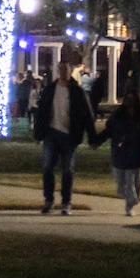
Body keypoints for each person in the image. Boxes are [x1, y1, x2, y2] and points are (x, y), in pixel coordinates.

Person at [33, 67, 100, 215]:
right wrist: (38, 135)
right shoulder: (50, 89)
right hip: (51, 133)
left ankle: (66, 202)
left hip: (69, 136)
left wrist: (92, 137)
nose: (63, 73)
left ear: (69, 72)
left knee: (67, 170)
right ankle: (49, 201)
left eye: (66, 70)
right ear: (58, 71)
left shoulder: (77, 91)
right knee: (48, 168)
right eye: (61, 69)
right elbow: (42, 112)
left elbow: (87, 115)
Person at [99, 92, 140, 216]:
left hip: (136, 154)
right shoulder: (118, 116)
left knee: (133, 182)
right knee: (121, 184)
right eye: (128, 100)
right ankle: (131, 199)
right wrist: (96, 141)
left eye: (132, 100)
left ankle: (130, 205)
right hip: (119, 153)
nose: (130, 103)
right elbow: (109, 130)